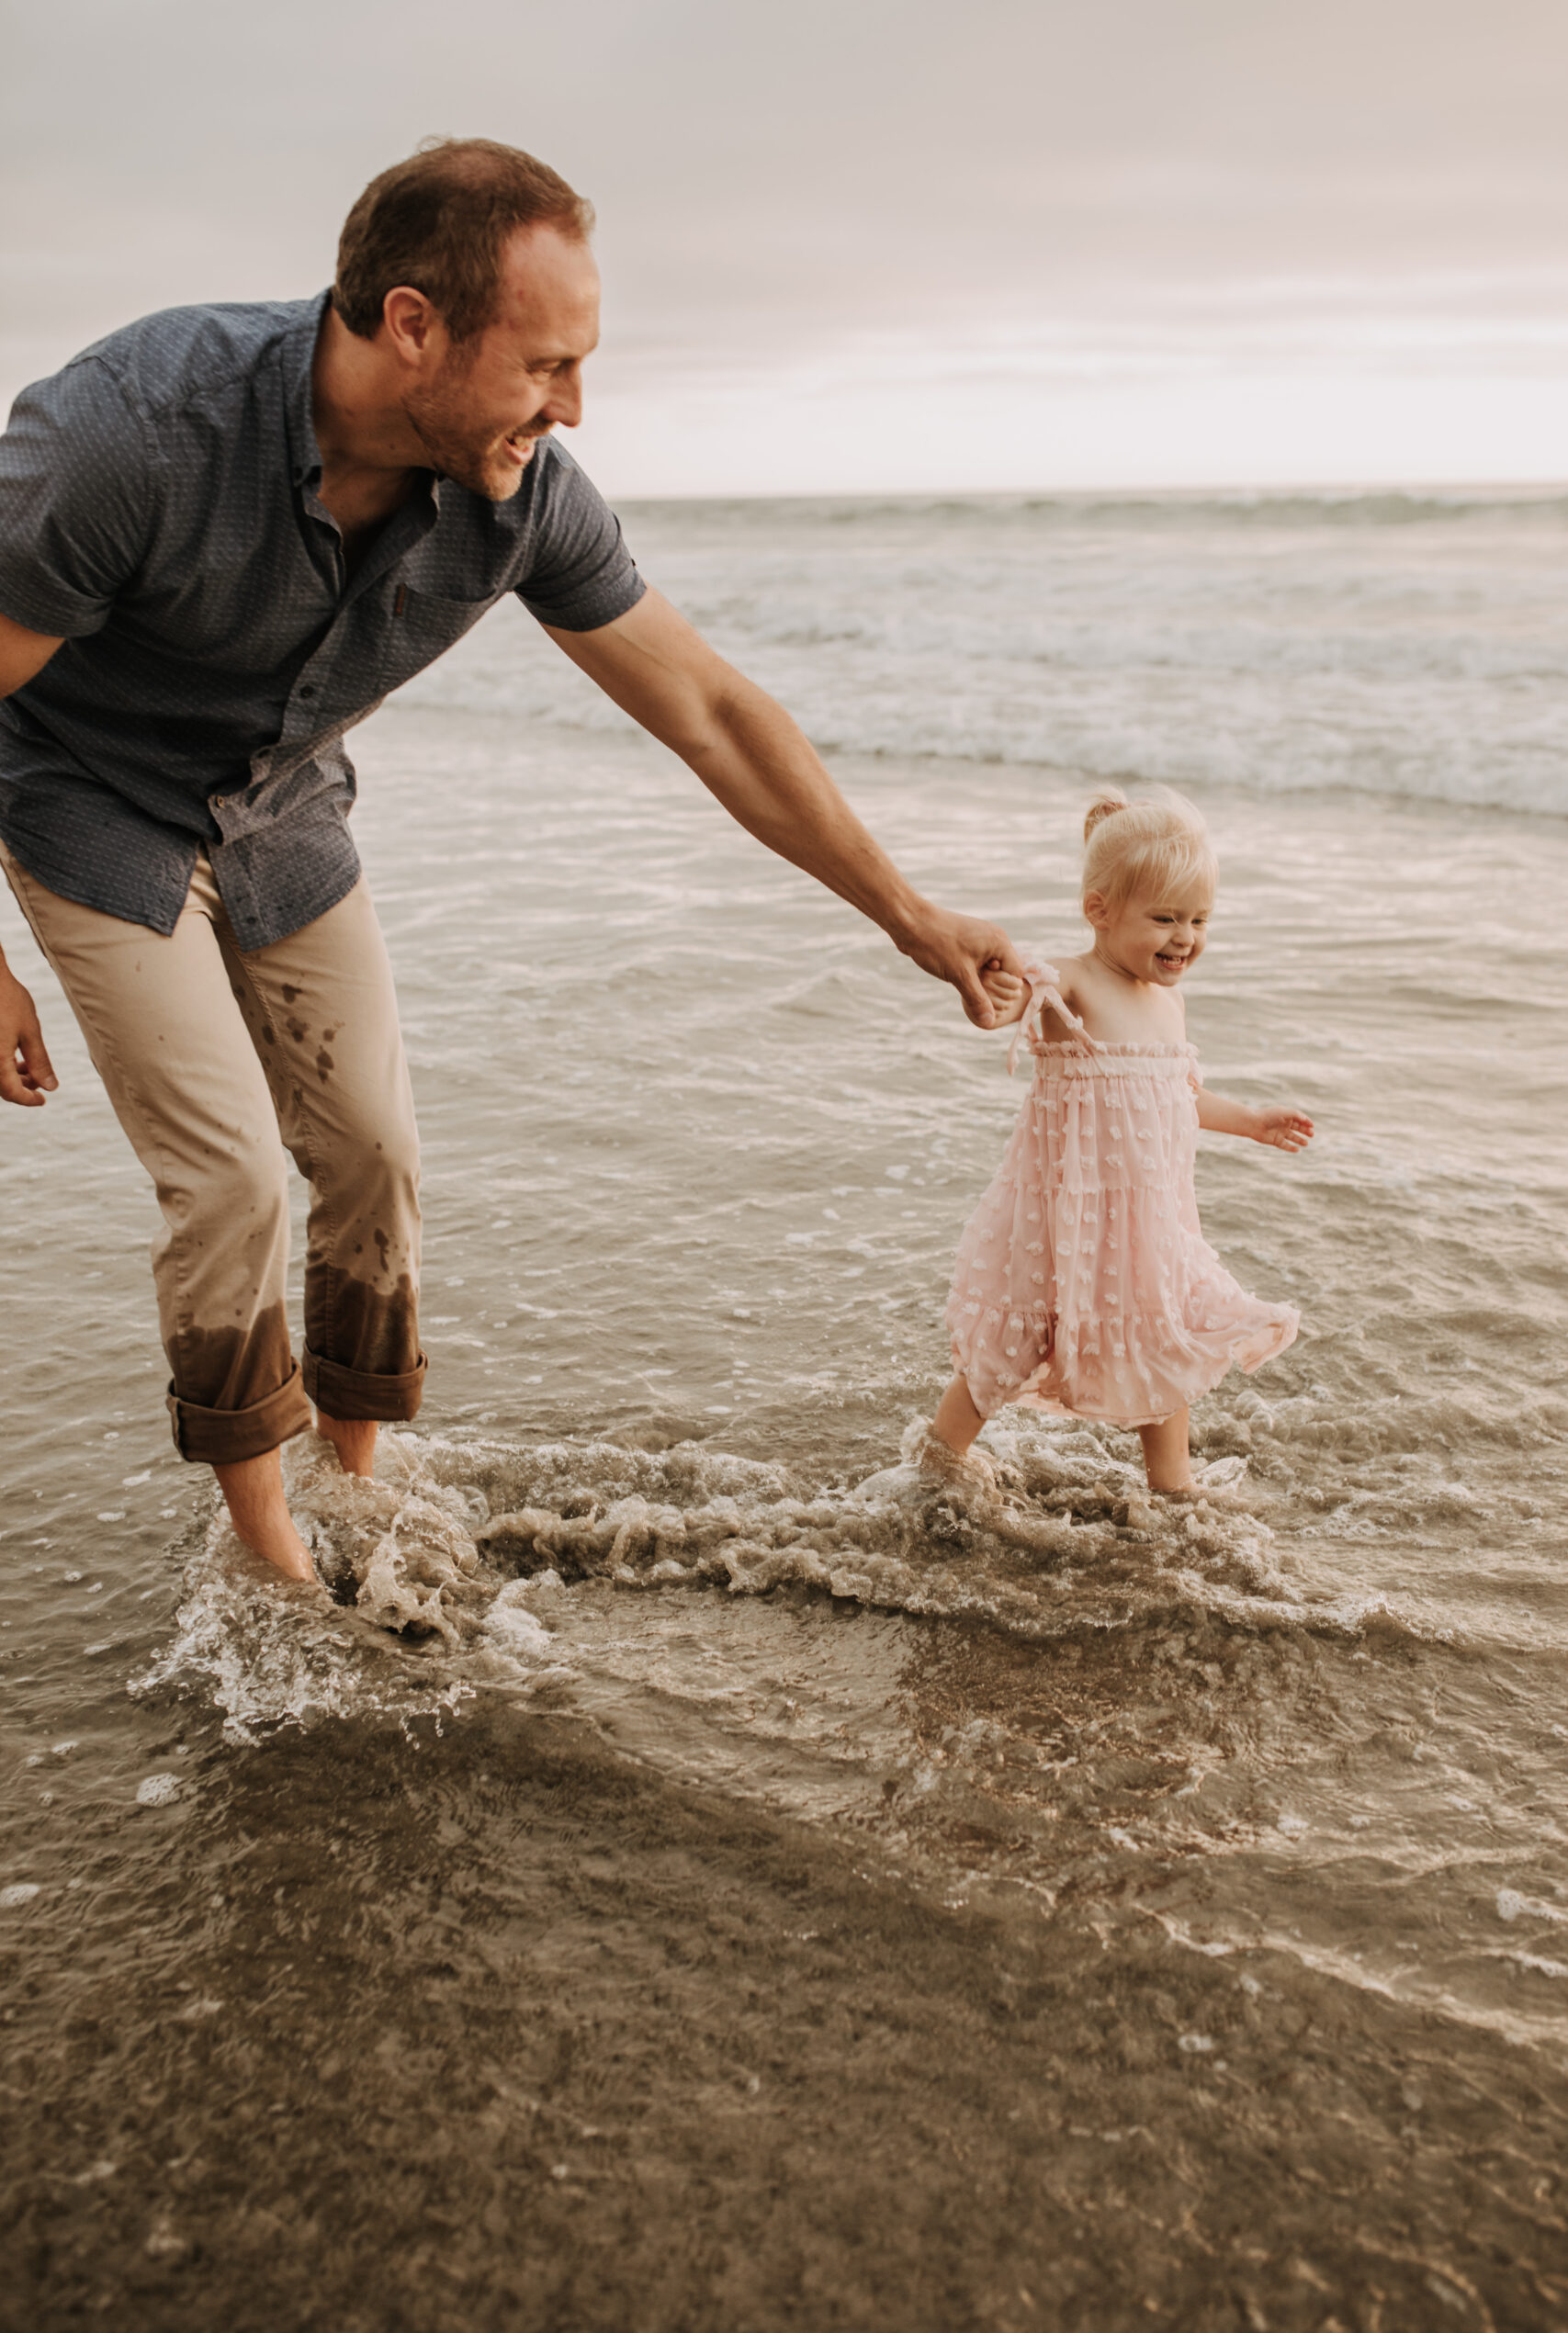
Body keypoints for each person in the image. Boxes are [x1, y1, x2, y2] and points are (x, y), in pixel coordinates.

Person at [0, 137, 1018, 1585]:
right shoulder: (132, 432)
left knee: (373, 1154)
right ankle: (273, 1556)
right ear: (412, 325)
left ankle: (357, 1481)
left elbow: (713, 715)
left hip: (285, 813)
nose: (574, 405)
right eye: (546, 364)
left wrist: (911, 918)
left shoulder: (522, 489)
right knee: (231, 1183)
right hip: (84, 805)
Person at [919, 786, 1311, 1496]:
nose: (1184, 937)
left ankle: (1172, 1484)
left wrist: (1251, 1120)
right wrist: (1007, 994)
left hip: (1145, 1218)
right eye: (1162, 918)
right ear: (1098, 911)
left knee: (1163, 1331)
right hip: (1063, 1210)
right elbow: (1019, 997)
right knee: (1017, 1338)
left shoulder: (1169, 1003)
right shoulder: (1074, 984)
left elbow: (1179, 1098)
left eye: (1198, 919)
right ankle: (940, 1456)